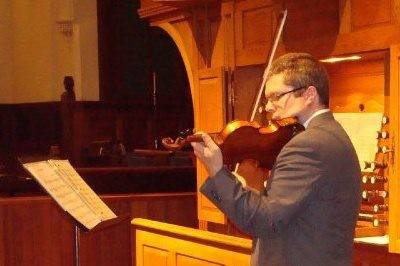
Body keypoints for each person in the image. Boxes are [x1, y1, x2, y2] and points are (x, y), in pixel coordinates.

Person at [191, 53, 361, 266]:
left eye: (276, 96)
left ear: (309, 94)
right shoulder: (332, 134)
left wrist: (217, 171)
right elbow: (284, 208)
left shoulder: (307, 145)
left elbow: (266, 220)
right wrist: (243, 187)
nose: (268, 107)